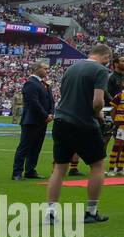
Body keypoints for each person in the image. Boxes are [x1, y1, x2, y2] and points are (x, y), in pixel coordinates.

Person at [44, 44, 113, 226]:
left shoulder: (71, 68)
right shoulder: (100, 70)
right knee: (97, 165)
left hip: (61, 121)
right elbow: (98, 101)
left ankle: (50, 211)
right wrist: (99, 116)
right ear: (105, 56)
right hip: (83, 123)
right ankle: (91, 211)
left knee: (59, 168)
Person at [12, 62, 53, 181]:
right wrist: (46, 115)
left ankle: (30, 170)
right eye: (45, 68)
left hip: (42, 120)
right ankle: (17, 172)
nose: (47, 70)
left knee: (36, 147)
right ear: (37, 69)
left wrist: (51, 113)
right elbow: (33, 103)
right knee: (25, 147)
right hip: (32, 121)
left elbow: (51, 101)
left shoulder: (44, 84)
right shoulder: (30, 83)